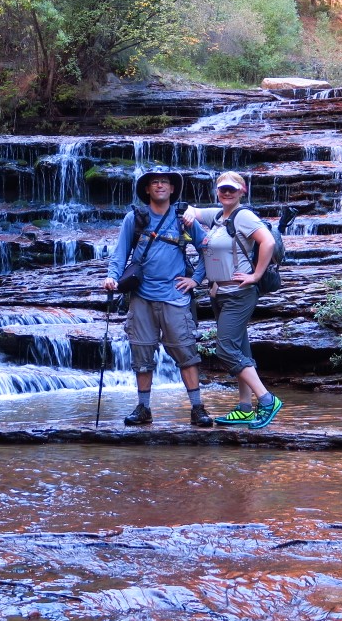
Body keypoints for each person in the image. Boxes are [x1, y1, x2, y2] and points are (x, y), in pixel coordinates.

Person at [103, 169, 213, 427]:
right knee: (141, 355)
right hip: (141, 297)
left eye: (165, 182)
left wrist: (195, 279)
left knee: (186, 353)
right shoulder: (135, 218)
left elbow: (207, 248)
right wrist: (111, 277)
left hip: (175, 298)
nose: (161, 186)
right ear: (147, 189)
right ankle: (143, 409)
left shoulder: (183, 218)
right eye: (155, 182)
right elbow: (120, 254)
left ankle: (197, 409)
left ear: (172, 189)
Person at [184, 171, 283, 429]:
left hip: (239, 293)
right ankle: (244, 408)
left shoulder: (244, 216)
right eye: (222, 189)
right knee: (240, 350)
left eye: (231, 189)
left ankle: (267, 399)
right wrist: (189, 213)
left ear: (242, 191)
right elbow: (192, 210)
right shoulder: (218, 216)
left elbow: (268, 241)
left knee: (225, 349)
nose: (226, 193)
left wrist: (256, 275)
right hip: (220, 293)